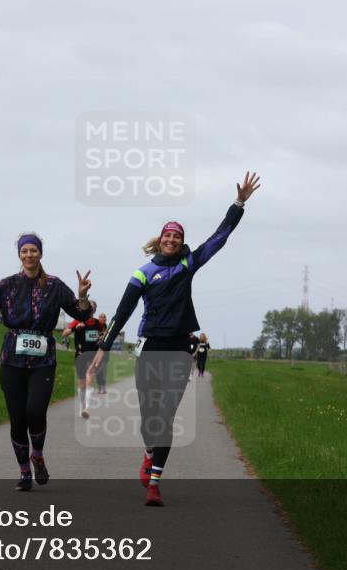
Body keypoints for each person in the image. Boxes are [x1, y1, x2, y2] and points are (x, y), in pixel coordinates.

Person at [90, 172, 261, 506]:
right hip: (150, 347)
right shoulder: (143, 273)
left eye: (177, 236)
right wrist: (103, 348)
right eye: (167, 235)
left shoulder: (188, 263)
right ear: (160, 240)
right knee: (150, 418)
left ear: (181, 242)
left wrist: (238, 203)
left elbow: (219, 238)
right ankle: (149, 451)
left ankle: (154, 483)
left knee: (165, 417)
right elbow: (122, 313)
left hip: (181, 348)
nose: (171, 240)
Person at [0, 233, 93, 491]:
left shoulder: (55, 286)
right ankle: (24, 472)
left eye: (33, 250)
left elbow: (81, 313)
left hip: (43, 360)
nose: (29, 255)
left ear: (40, 253)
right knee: (17, 419)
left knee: (36, 412)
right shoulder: (7, 285)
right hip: (12, 359)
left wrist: (82, 295)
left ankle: (37, 455)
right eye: (24, 251)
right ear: (19, 255)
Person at [61, 301, 104, 418]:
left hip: (93, 356)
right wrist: (75, 328)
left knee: (90, 380)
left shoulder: (98, 323)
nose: (90, 310)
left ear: (94, 310)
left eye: (92, 308)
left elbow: (102, 334)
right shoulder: (77, 321)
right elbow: (64, 334)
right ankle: (82, 405)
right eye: (88, 307)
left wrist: (101, 337)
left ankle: (87, 409)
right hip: (80, 355)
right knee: (82, 384)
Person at [94, 312, 110, 394]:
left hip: (105, 351)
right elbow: (92, 336)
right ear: (98, 318)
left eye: (104, 317)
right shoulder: (95, 326)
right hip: (96, 351)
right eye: (101, 317)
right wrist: (100, 336)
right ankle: (99, 386)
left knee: (103, 369)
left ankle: (103, 386)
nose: (103, 318)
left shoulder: (106, 327)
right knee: (97, 369)